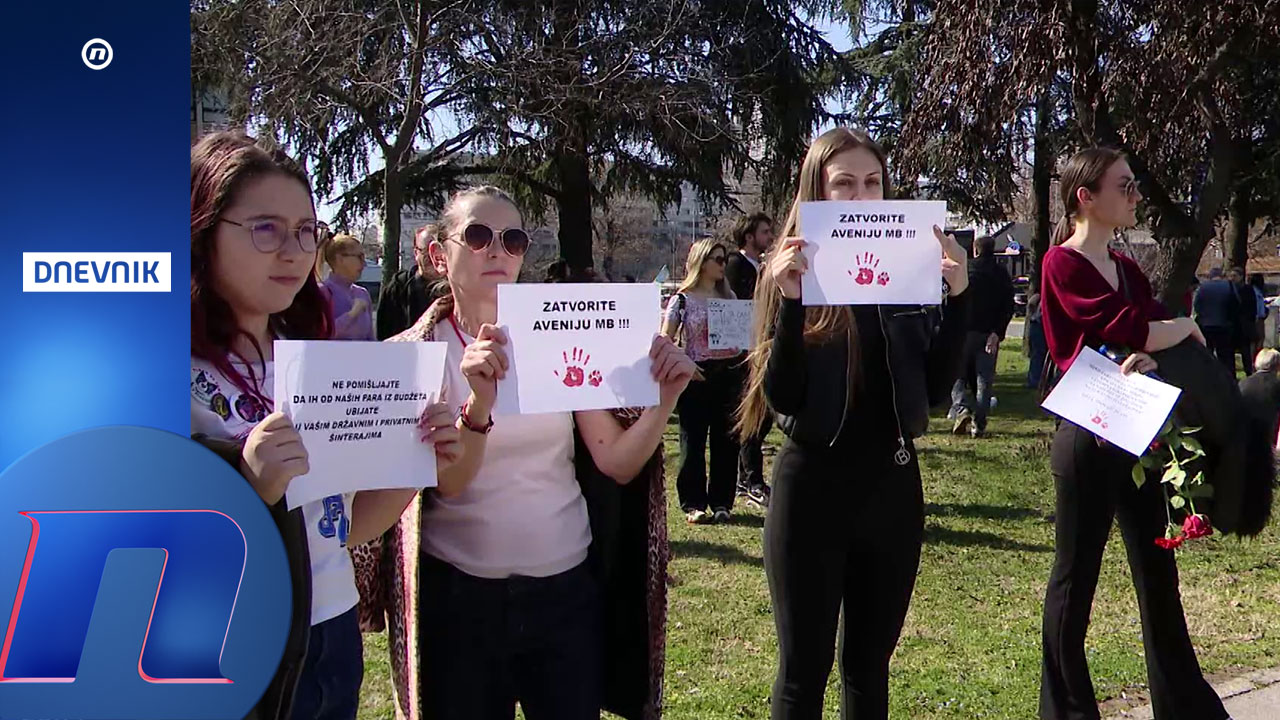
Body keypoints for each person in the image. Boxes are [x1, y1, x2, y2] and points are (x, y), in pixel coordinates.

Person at [358, 185, 696, 720]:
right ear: (438, 254)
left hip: (565, 596)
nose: (497, 250)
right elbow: (447, 484)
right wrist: (478, 403)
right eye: (478, 236)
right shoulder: (408, 359)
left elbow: (615, 460)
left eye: (513, 239)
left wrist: (665, 399)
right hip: (458, 601)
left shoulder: (557, 336)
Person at [187, 131, 463, 720]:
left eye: (305, 231)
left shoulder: (308, 356)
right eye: (265, 228)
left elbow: (347, 527)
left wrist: (417, 462)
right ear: (203, 231)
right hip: (232, 644)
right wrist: (247, 488)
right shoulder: (162, 380)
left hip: (332, 627)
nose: (292, 251)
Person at [737, 127, 971, 720]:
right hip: (811, 485)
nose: (860, 196)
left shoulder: (909, 271)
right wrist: (790, 303)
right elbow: (782, 396)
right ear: (817, 191)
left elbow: (936, 393)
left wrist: (959, 297)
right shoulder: (786, 272)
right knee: (803, 672)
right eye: (843, 184)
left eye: (872, 182)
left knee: (868, 669)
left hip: (891, 487)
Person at [1038, 147, 1226, 720]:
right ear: (1085, 198)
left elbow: (1143, 334)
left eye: (1135, 185)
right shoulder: (1060, 263)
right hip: (1087, 433)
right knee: (1075, 581)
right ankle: (1066, 711)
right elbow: (1125, 325)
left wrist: (1150, 349)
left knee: (1158, 578)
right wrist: (1181, 327)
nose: (1136, 195)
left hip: (1139, 433)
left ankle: (1186, 708)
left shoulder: (1126, 266)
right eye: (1125, 186)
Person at [662, 238, 746, 524]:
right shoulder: (682, 300)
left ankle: (722, 501)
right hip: (696, 375)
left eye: (724, 260)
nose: (723, 266)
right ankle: (693, 503)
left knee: (727, 441)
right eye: (718, 260)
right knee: (693, 440)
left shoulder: (730, 298)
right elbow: (666, 340)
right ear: (702, 262)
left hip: (728, 372)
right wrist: (684, 366)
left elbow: (741, 338)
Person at [725, 211, 776, 507]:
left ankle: (749, 476)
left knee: (763, 415)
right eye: (765, 232)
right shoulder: (736, 265)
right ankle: (749, 480)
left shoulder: (762, 266)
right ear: (749, 236)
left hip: (763, 347)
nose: (769, 237)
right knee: (752, 415)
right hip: (746, 350)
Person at [949, 235, 1014, 438]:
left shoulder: (967, 270)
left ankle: (961, 409)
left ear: (975, 251)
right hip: (988, 333)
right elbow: (1008, 306)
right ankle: (980, 424)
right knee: (984, 380)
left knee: (957, 375)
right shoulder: (1001, 274)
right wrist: (998, 332)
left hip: (964, 331)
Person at [376, 224, 449, 340]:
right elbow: (385, 331)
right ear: (416, 253)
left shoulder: (456, 288)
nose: (432, 257)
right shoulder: (398, 288)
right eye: (426, 251)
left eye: (437, 250)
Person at [321, 233, 376, 341]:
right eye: (359, 257)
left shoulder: (362, 293)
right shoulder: (323, 292)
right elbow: (322, 336)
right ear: (340, 259)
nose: (364, 264)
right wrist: (352, 314)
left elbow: (370, 339)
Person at [1193, 267, 1240, 373]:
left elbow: (1197, 305)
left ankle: (1208, 374)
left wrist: (1203, 317)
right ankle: (1228, 377)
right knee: (1225, 355)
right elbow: (1236, 303)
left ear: (1210, 276)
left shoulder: (1203, 287)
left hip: (1206, 325)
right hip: (1224, 325)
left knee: (1207, 353)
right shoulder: (1229, 286)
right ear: (1222, 275)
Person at [1228, 266, 1258, 375]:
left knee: (1245, 352)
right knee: (1230, 352)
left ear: (1241, 277)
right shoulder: (1229, 289)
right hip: (1232, 326)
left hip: (1243, 326)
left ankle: (1248, 371)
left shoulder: (1247, 290)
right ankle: (1232, 374)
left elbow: (1252, 307)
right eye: (1231, 276)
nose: (1232, 278)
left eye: (1235, 276)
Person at [1026, 291, 1049, 388]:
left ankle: (1035, 380)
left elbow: (1031, 304)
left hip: (1037, 323)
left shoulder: (1041, 294)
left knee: (1037, 354)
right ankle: (1035, 381)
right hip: (1039, 324)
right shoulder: (1042, 295)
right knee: (1038, 353)